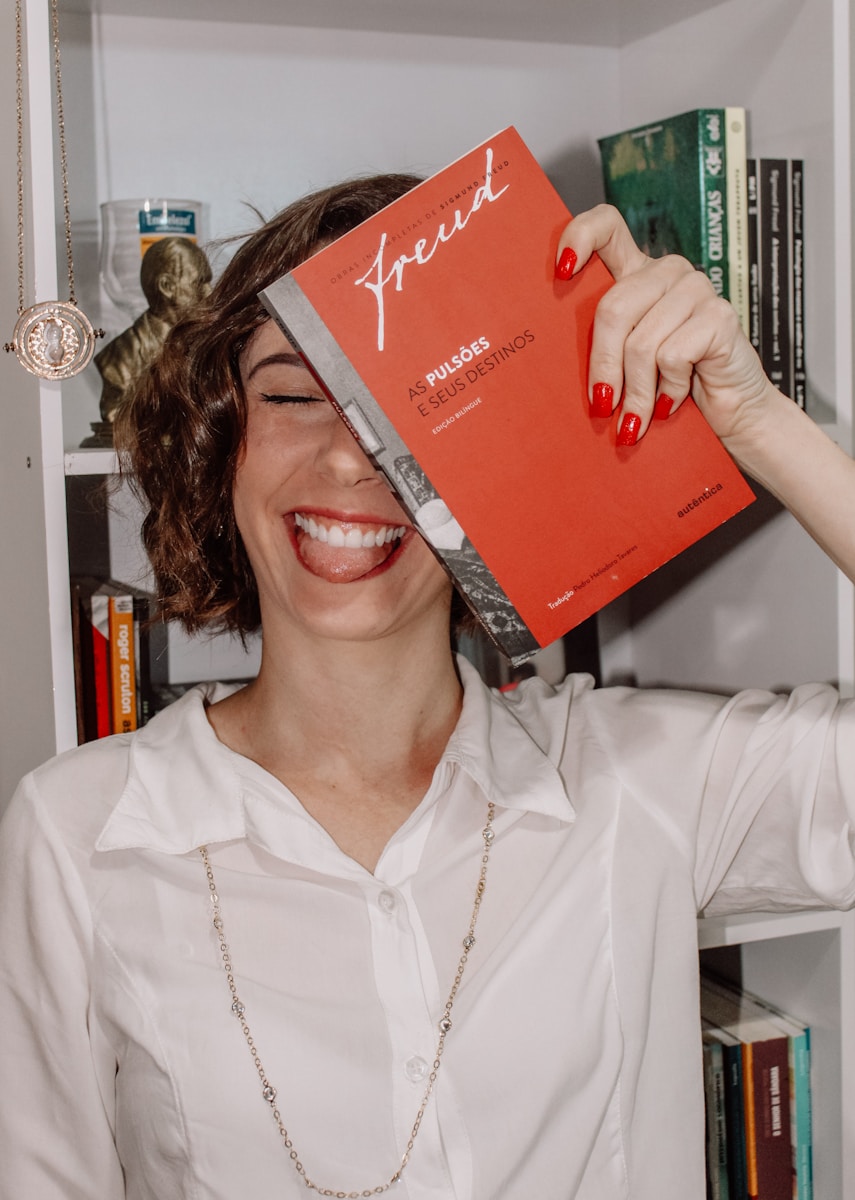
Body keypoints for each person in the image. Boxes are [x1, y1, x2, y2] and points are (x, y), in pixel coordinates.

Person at [2, 170, 855, 1200]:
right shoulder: (76, 833)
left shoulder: (644, 782)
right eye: (291, 395)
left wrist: (758, 421)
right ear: (222, 442)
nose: (349, 461)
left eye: (411, 411)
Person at [93, 234, 213, 425]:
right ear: (167, 286)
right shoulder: (118, 359)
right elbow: (116, 416)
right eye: (199, 283)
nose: (210, 292)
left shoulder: (210, 344)